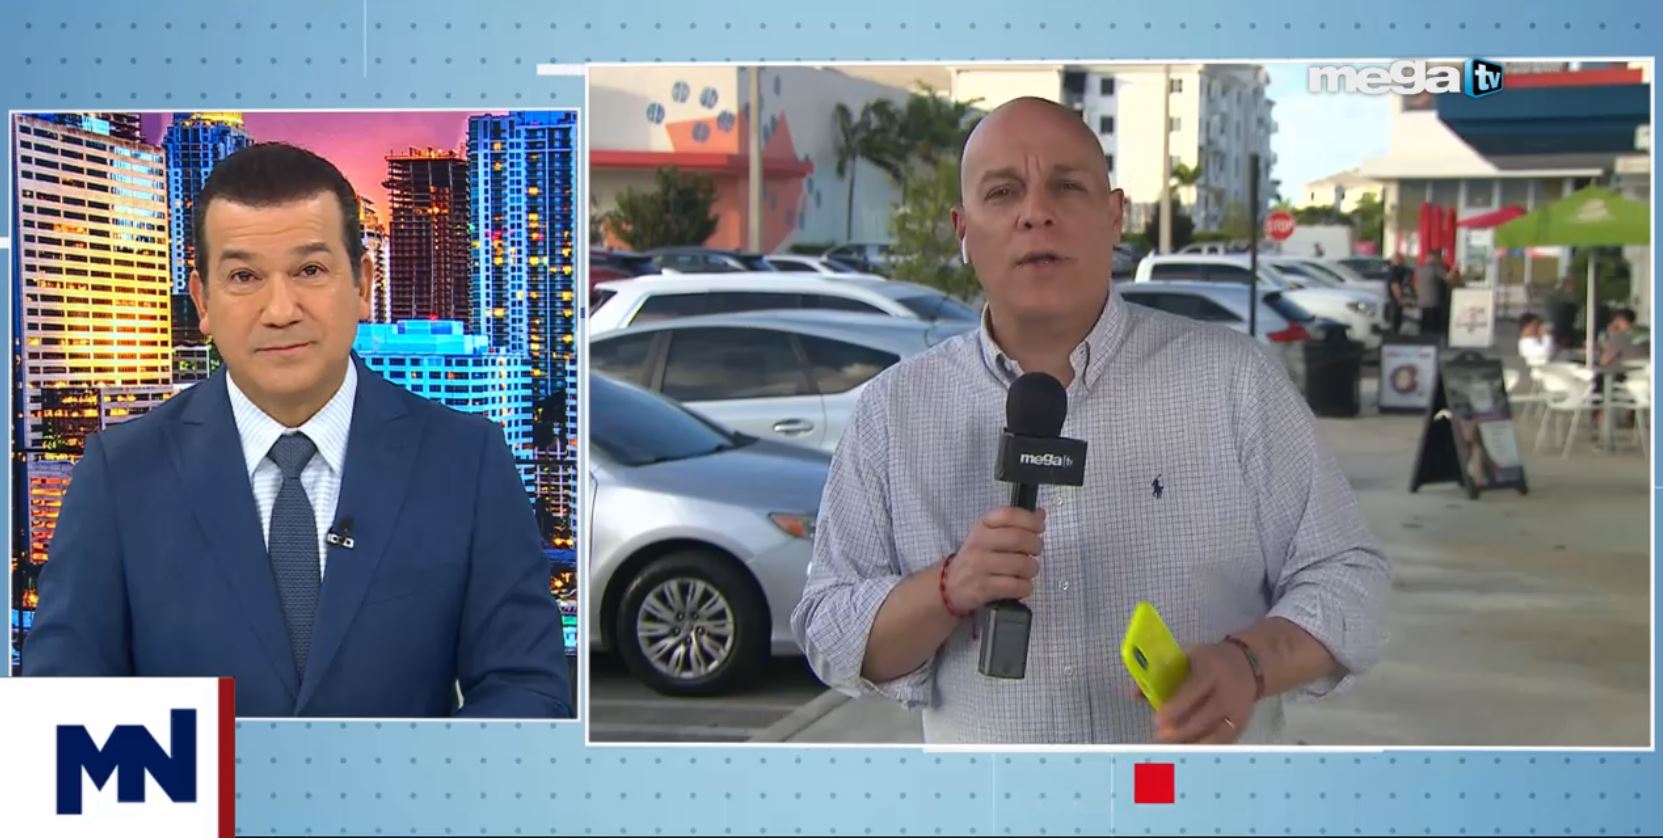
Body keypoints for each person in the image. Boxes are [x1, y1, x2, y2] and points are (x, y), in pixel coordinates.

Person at [790, 98, 1391, 745]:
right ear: (962, 230)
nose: (1035, 214)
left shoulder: (1234, 381)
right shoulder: (893, 411)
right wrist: (946, 588)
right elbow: (829, 634)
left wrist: (1248, 663)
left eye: (1067, 186)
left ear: (1114, 215)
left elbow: (1347, 577)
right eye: (1003, 192)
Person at [23, 143, 574, 719]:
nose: (281, 310)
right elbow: (62, 709)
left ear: (362, 284)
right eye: (244, 277)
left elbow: (526, 690)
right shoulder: (119, 475)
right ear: (203, 301)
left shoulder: (466, 461)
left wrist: (400, 776)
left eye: (310, 271)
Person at [1385, 253, 1413, 335]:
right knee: (1395, 319)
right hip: (1395, 299)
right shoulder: (1394, 271)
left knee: (1396, 319)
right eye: (1401, 259)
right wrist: (1400, 299)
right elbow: (1395, 285)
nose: (1403, 261)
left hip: (1393, 298)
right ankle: (1394, 336)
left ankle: (1394, 334)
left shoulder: (1392, 270)